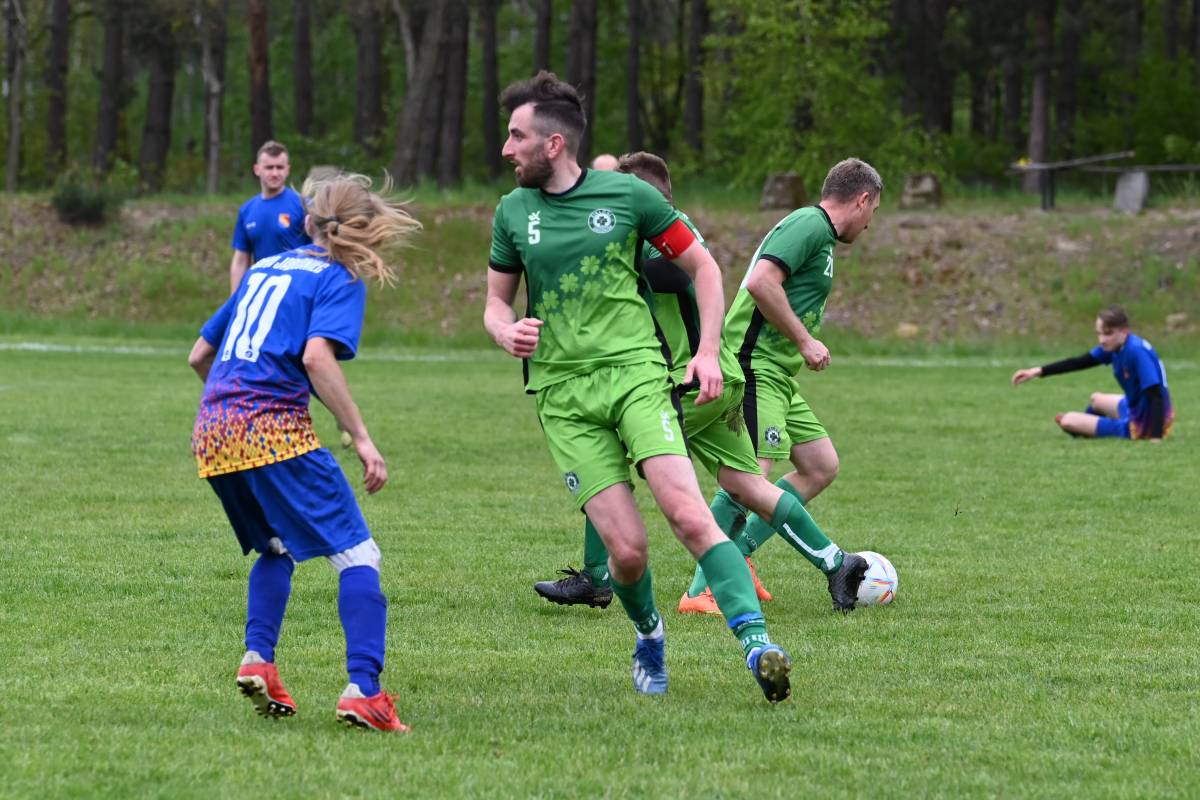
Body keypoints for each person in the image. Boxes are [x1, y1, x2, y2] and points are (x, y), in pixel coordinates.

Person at [485, 71, 792, 702]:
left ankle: (758, 644)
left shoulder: (628, 196)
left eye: (516, 135)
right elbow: (494, 302)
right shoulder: (512, 211)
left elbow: (704, 267)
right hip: (563, 397)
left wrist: (707, 352)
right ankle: (650, 634)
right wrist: (504, 329)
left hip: (637, 376)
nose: (506, 148)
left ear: (553, 144)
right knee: (626, 553)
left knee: (688, 514)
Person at [533, 152, 867, 616]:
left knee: (605, 455)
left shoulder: (660, 234)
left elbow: (678, 272)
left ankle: (599, 578)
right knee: (746, 484)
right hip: (721, 378)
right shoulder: (662, 231)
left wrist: (613, 258)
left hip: (689, 382)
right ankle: (836, 562)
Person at [188, 172, 421, 732]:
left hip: (213, 429)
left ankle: (258, 660)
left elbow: (199, 355)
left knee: (277, 545)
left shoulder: (264, 268)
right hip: (271, 429)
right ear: (364, 226)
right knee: (359, 556)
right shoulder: (340, 275)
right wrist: (361, 437)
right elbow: (317, 358)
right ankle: (364, 690)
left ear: (311, 219)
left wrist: (233, 411)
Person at [701, 158, 881, 595]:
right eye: (873, 211)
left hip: (779, 373)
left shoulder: (821, 235)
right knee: (748, 480)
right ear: (862, 200)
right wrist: (804, 340)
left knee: (820, 466)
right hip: (755, 365)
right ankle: (704, 588)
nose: (869, 224)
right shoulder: (809, 224)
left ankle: (739, 554)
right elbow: (762, 282)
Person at [1011, 305, 1173, 441]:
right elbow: (1079, 362)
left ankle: (1095, 427)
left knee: (1067, 421)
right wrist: (1038, 371)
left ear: (1124, 332)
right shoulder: (1118, 347)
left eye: (1108, 333)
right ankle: (1092, 425)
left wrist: (1155, 437)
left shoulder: (1136, 351)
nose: (1102, 340)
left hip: (1146, 422)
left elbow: (1155, 393)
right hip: (1135, 407)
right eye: (1099, 334)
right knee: (1096, 399)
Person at [229, 140, 311, 295]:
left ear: (288, 169)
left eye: (280, 167)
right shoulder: (247, 210)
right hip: (261, 293)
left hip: (296, 292)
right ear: (257, 169)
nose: (275, 173)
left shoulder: (304, 206)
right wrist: (235, 300)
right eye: (269, 167)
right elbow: (240, 261)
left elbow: (320, 251)